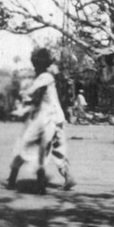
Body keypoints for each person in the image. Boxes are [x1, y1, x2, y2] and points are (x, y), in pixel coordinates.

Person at [7, 48, 76, 193]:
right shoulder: (48, 77)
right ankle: (67, 176)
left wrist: (22, 93)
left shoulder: (44, 76)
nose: (34, 67)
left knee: (28, 146)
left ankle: (22, 181)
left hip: (46, 119)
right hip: (57, 119)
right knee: (58, 150)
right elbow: (37, 97)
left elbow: (32, 90)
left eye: (35, 64)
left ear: (38, 64)